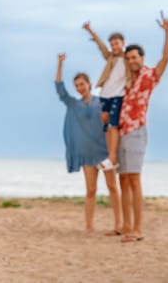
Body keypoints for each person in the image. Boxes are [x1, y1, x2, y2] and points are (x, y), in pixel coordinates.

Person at [117, 12, 168, 243]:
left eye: (134, 57)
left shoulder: (149, 75)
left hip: (137, 131)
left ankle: (138, 229)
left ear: (141, 57)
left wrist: (167, 33)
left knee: (135, 179)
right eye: (128, 58)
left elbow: (165, 59)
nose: (132, 61)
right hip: (120, 132)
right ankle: (126, 225)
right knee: (123, 180)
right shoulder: (125, 79)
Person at [55, 53, 122, 235]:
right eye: (76, 85)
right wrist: (60, 63)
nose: (79, 88)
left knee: (112, 187)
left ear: (89, 84)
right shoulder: (73, 104)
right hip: (87, 153)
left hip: (105, 151)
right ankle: (89, 225)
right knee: (91, 190)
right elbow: (60, 89)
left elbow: (112, 122)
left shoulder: (101, 102)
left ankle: (118, 224)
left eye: (82, 84)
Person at [82, 22, 131, 171]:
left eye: (117, 43)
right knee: (106, 128)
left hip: (118, 95)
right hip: (105, 95)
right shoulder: (110, 57)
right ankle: (111, 158)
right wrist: (91, 31)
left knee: (113, 126)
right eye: (112, 44)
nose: (114, 47)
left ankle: (112, 158)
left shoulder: (129, 59)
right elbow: (101, 45)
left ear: (123, 43)